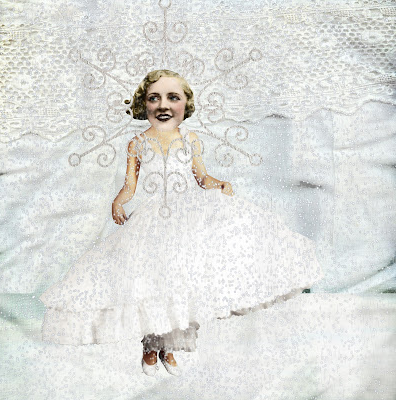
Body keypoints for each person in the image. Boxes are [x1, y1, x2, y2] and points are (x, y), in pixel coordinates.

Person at [39, 69, 323, 378]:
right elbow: (130, 186)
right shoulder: (137, 143)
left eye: (172, 98)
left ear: (185, 104)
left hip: (186, 216)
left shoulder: (190, 139)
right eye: (154, 98)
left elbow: (201, 177)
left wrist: (218, 183)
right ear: (143, 105)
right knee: (153, 280)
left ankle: (170, 348)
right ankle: (151, 348)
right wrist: (118, 201)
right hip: (153, 220)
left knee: (181, 279)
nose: (163, 105)